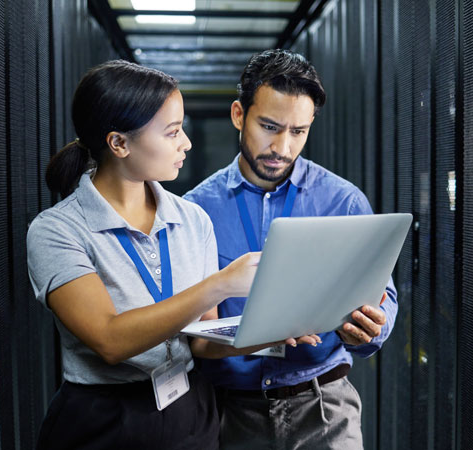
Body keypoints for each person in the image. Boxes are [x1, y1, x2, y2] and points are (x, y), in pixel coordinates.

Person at [26, 60, 318, 450]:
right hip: (103, 421)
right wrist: (220, 284)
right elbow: (109, 339)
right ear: (119, 143)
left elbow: (201, 341)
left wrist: (268, 332)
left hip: (189, 412)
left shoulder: (192, 219)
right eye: (172, 132)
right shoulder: (57, 230)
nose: (187, 143)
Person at [183, 49, 398, 450]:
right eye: (269, 126)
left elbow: (382, 298)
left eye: (298, 131)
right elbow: (187, 325)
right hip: (227, 414)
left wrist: (372, 326)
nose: (282, 146)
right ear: (237, 115)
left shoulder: (344, 203)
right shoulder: (196, 210)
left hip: (324, 409)